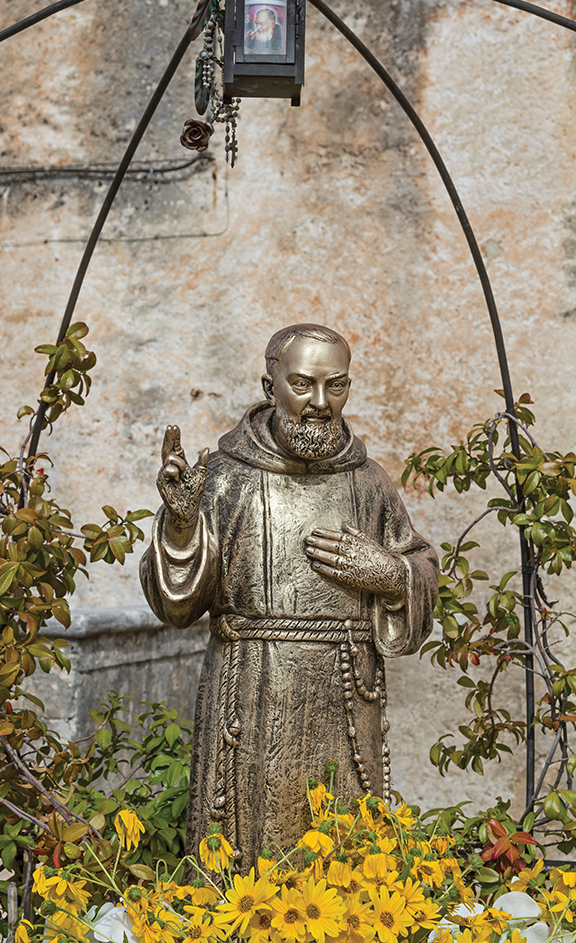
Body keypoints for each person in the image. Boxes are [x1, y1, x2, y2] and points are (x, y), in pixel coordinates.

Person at [140, 324, 438, 870]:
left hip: (346, 694)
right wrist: (182, 527)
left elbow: (419, 568)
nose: (320, 403)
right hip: (252, 689)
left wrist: (391, 574)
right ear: (268, 383)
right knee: (247, 862)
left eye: (337, 386)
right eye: (302, 384)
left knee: (346, 861)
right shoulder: (225, 478)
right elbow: (176, 605)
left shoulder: (369, 483)